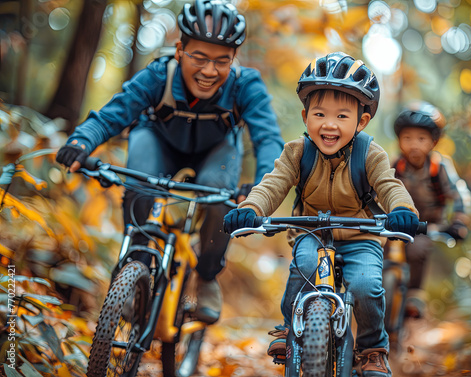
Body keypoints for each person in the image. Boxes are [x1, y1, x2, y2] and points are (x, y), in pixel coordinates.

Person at [55, 0, 284, 325]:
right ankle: (135, 268)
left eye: (222, 61)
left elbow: (268, 141)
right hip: (158, 141)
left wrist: (262, 187)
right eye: (199, 58)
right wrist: (80, 142)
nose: (209, 71)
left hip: (215, 152)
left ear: (234, 59)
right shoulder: (158, 75)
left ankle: (206, 277)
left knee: (220, 197)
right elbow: (111, 116)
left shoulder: (245, 85)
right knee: (140, 185)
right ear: (180, 50)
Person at [223, 51, 420, 377]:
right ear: (305, 116)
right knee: (302, 267)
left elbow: (390, 186)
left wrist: (402, 210)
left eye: (342, 116)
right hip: (311, 231)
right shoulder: (296, 153)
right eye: (319, 114)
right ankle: (290, 329)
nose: (329, 125)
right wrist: (250, 209)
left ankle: (372, 348)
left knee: (366, 286)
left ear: (362, 121)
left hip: (360, 236)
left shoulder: (370, 153)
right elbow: (272, 185)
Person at [392, 101, 471, 317]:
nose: (414, 145)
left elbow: (458, 194)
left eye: (421, 138)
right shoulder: (395, 167)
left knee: (417, 249)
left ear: (433, 141)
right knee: (377, 248)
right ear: (399, 141)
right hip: (397, 222)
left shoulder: (440, 167)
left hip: (426, 224)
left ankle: (415, 295)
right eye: (407, 138)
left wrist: (459, 221)